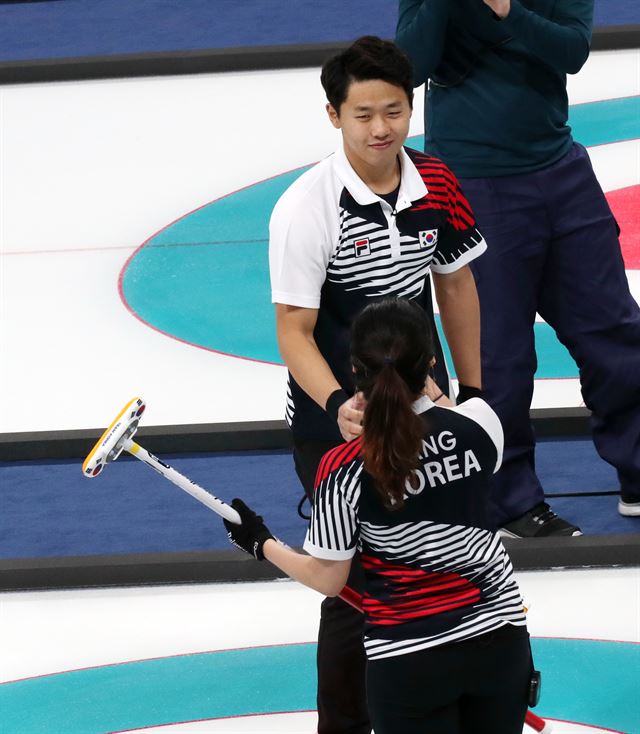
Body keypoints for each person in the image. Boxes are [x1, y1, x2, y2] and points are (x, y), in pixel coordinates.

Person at [268, 36, 488, 733]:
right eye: (362, 114)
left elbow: (455, 286)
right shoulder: (306, 208)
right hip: (332, 415)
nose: (380, 129)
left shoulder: (439, 184)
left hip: (425, 403)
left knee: (441, 553)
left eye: (393, 110)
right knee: (356, 581)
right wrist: (337, 405)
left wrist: (472, 394)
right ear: (333, 115)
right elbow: (295, 331)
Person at [224, 298, 533, 734]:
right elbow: (442, 426)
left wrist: (261, 542)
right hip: (500, 643)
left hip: (408, 662)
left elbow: (329, 579)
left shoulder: (342, 467)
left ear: (354, 371)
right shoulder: (481, 424)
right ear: (429, 363)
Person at [396, 0, 640, 536]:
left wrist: (507, 9)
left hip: (562, 169)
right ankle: (510, 503)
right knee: (498, 355)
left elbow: (572, 50)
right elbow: (408, 69)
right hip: (472, 184)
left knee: (616, 330)